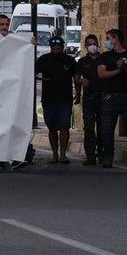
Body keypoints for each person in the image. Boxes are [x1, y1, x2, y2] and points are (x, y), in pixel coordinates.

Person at [97, 28, 127, 168]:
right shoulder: (105, 56)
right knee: (107, 128)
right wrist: (117, 70)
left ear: (116, 39)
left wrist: (125, 67)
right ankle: (108, 156)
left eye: (108, 38)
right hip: (110, 96)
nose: (106, 41)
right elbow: (102, 74)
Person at [36, 35, 76, 164]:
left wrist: (79, 93)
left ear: (62, 47)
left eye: (58, 47)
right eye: (54, 47)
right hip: (49, 100)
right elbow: (32, 71)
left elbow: (76, 77)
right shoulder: (44, 60)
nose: (56, 48)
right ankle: (54, 155)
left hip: (65, 99)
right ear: (51, 47)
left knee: (65, 127)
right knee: (52, 128)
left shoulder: (70, 61)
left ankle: (63, 155)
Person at [75, 32, 104, 165]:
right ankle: (90, 156)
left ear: (98, 45)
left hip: (103, 97)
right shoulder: (82, 62)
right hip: (89, 98)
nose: (92, 46)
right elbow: (76, 78)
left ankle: (103, 154)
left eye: (94, 44)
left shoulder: (104, 59)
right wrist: (81, 83)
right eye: (90, 44)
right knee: (89, 128)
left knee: (103, 127)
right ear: (86, 46)